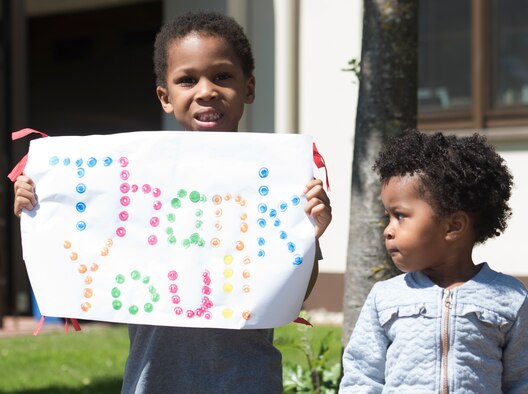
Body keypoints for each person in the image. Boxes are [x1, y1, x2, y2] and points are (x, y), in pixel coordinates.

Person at [13, 11, 332, 393]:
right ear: (165, 97)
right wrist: (41, 205)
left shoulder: (278, 180)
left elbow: (297, 292)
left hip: (246, 379)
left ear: (248, 88)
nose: (206, 90)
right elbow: (82, 253)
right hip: (155, 378)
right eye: (187, 80)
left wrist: (311, 234)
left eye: (222, 76)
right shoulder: (137, 174)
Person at [339, 130, 528, 393]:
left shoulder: (511, 299)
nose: (388, 230)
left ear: (453, 226)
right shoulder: (385, 298)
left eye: (400, 216)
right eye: (388, 217)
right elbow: (362, 376)